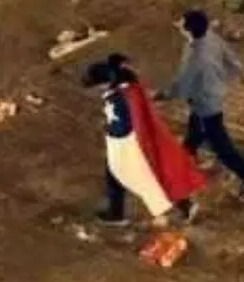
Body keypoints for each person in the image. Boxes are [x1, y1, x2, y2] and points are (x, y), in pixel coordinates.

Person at [85, 53, 204, 227]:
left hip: (127, 146)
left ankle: (117, 213)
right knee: (139, 174)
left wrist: (109, 128)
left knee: (141, 176)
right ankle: (183, 205)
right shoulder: (127, 90)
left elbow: (122, 127)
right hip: (131, 143)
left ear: (104, 83)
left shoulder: (118, 97)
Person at [165, 9, 244, 201]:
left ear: (188, 30)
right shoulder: (209, 37)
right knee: (194, 133)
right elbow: (228, 54)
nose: (178, 23)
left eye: (182, 22)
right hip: (212, 95)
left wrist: (160, 96)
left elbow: (181, 85)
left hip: (206, 105)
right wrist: (241, 73)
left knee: (223, 149)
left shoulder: (195, 57)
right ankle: (187, 160)